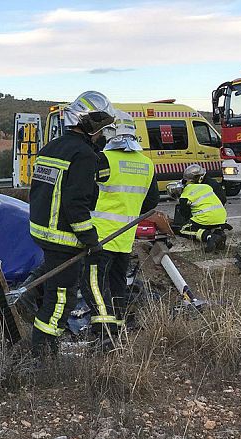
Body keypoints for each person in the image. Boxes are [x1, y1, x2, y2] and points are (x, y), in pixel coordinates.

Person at [28, 91, 116, 359]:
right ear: (90, 123)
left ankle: (31, 301)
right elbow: (76, 203)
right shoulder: (83, 155)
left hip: (41, 231)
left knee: (52, 282)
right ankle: (43, 356)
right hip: (63, 237)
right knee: (61, 299)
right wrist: (91, 240)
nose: (102, 136)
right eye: (101, 130)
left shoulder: (51, 148)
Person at [83, 111, 159, 347]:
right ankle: (118, 325)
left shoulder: (102, 160)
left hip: (100, 236)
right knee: (117, 284)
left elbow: (85, 193)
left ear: (110, 133)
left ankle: (104, 332)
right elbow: (150, 202)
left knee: (93, 283)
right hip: (124, 237)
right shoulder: (146, 164)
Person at [170, 164, 228, 252]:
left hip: (206, 218)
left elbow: (185, 213)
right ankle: (219, 234)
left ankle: (209, 237)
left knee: (183, 229)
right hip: (222, 217)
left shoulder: (185, 195)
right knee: (209, 224)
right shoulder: (206, 186)